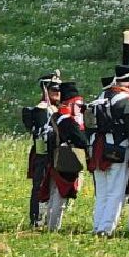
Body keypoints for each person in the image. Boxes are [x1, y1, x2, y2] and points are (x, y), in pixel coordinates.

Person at [87, 64, 129, 236]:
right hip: (117, 148)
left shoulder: (101, 96)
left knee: (102, 192)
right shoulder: (126, 101)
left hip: (97, 148)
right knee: (115, 192)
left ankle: (98, 225)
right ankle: (106, 228)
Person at [42, 81, 87, 232]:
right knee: (61, 196)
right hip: (66, 159)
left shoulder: (56, 116)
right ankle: (54, 227)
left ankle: (50, 224)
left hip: (54, 158)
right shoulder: (67, 120)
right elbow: (80, 140)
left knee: (55, 192)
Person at [24, 71, 61, 229]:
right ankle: (37, 219)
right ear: (46, 89)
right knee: (40, 185)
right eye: (54, 90)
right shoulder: (41, 109)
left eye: (60, 90)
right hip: (43, 153)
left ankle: (47, 218)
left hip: (55, 152)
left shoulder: (53, 108)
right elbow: (42, 134)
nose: (58, 93)